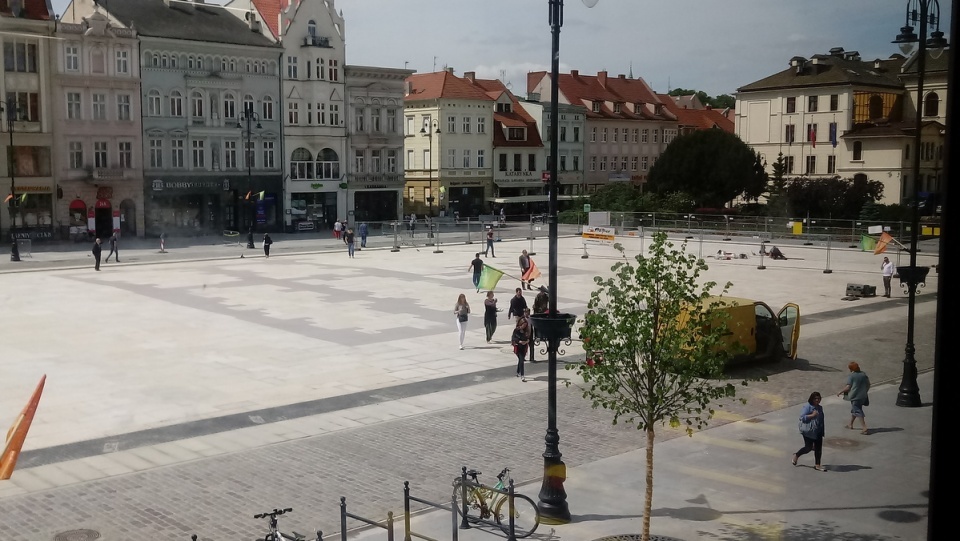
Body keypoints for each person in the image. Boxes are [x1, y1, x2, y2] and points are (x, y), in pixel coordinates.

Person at [792, 391, 826, 471]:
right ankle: (797, 455)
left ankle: (817, 465)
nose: (817, 400)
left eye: (819, 398)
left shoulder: (820, 408)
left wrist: (822, 431)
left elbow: (821, 420)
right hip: (809, 431)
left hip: (818, 431)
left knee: (818, 448)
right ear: (812, 399)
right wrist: (812, 415)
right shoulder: (807, 407)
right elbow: (802, 417)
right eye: (815, 399)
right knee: (808, 448)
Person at [837, 362, 870, 434]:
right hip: (863, 396)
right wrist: (865, 391)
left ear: (851, 369)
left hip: (855, 396)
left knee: (857, 410)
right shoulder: (863, 374)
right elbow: (868, 384)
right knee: (855, 409)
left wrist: (840, 392)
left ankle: (864, 427)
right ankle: (850, 424)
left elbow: (848, 387)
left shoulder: (851, 376)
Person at [511, 317, 530, 381]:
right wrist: (519, 341)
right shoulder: (516, 330)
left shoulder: (526, 331)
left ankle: (518, 372)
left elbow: (529, 338)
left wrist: (527, 341)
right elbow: (513, 338)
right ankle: (522, 375)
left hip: (524, 348)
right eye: (523, 325)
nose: (524, 326)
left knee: (520, 360)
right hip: (518, 347)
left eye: (525, 325)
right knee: (521, 360)